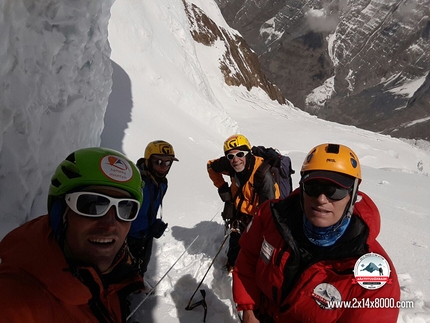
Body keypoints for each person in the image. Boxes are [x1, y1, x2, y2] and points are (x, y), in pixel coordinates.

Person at [233, 143, 401, 323]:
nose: (321, 199)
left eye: (334, 191)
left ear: (352, 195)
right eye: (313, 187)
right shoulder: (272, 217)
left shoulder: (374, 277)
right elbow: (247, 260)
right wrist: (248, 312)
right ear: (302, 188)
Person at [0, 147, 145, 322]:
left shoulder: (113, 279)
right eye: (91, 204)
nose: (110, 224)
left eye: (126, 208)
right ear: (60, 212)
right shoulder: (17, 302)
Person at [207, 134, 280, 272]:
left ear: (248, 153)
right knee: (235, 242)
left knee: (253, 250)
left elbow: (269, 209)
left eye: (240, 154)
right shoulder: (230, 164)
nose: (235, 160)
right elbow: (210, 166)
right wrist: (223, 188)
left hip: (257, 217)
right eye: (230, 156)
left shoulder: (264, 176)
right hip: (239, 215)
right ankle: (232, 267)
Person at [127, 140, 178, 288]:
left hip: (146, 234)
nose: (163, 167)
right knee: (123, 271)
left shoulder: (162, 182)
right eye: (158, 162)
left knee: (142, 264)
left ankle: (137, 283)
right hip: (128, 236)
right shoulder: (134, 180)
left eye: (168, 163)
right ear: (148, 160)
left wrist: (152, 223)